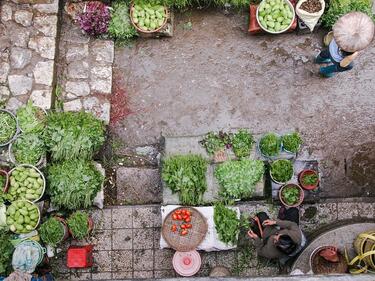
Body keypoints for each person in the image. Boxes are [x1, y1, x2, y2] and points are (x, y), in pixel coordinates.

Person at [314, 12, 374, 78]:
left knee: (325, 53)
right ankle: (324, 71)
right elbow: (342, 64)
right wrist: (353, 55)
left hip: (330, 48)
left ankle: (319, 60)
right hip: (336, 59)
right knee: (349, 66)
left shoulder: (338, 32)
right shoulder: (351, 54)